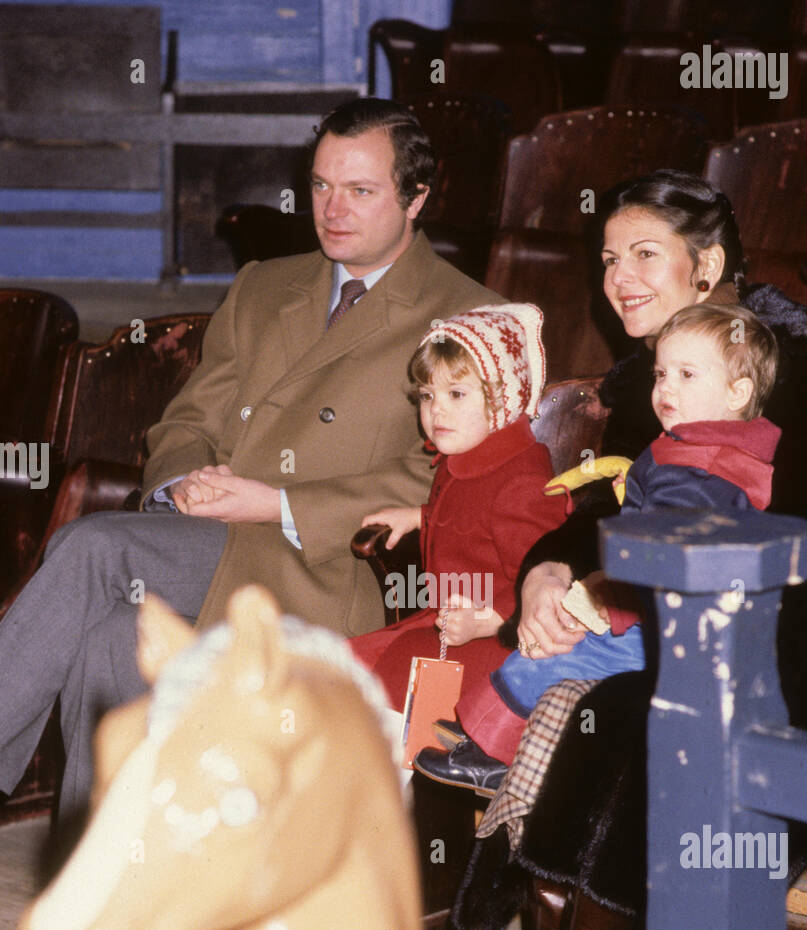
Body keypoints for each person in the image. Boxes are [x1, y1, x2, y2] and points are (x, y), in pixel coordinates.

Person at [0, 98, 503, 824]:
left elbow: (448, 478)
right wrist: (183, 483)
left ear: (417, 198)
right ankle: (103, 853)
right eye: (321, 185)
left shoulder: (470, 317)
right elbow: (188, 419)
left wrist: (275, 503)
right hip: (209, 537)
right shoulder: (266, 284)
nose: (332, 209)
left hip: (334, 566)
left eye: (360, 191)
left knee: (92, 546)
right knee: (112, 631)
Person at [441, 168, 807, 930]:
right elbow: (609, 509)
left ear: (705, 266)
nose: (619, 279)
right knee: (579, 693)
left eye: (645, 254)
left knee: (632, 719)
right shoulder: (652, 386)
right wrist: (547, 573)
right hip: (672, 625)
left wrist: (667, 607)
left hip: (803, 652)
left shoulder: (795, 366)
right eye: (608, 259)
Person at [416, 302, 781, 789]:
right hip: (654, 615)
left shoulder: (701, 470)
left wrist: (613, 602)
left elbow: (668, 558)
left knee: (548, 659)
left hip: (660, 632)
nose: (666, 388)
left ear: (738, 392)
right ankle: (483, 735)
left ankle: (495, 756)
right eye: (660, 374)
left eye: (687, 375)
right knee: (545, 649)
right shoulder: (696, 448)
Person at [349, 304, 567, 739]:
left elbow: (543, 573)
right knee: (351, 667)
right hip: (450, 622)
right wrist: (420, 517)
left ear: (501, 398)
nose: (436, 412)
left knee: (398, 683)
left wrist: (489, 620)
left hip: (502, 644)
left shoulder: (523, 481)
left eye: (456, 394)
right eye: (427, 396)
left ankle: (419, 777)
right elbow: (471, 521)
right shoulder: (466, 456)